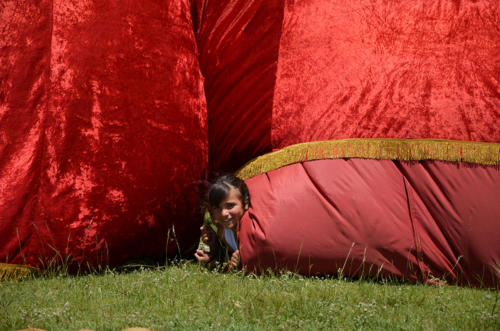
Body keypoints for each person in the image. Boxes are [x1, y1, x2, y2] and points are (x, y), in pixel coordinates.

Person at [194, 175, 250, 269]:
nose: (224, 213)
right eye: (217, 208)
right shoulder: (224, 233)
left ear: (245, 203)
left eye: (230, 205)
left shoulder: (252, 229)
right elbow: (229, 260)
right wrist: (210, 260)